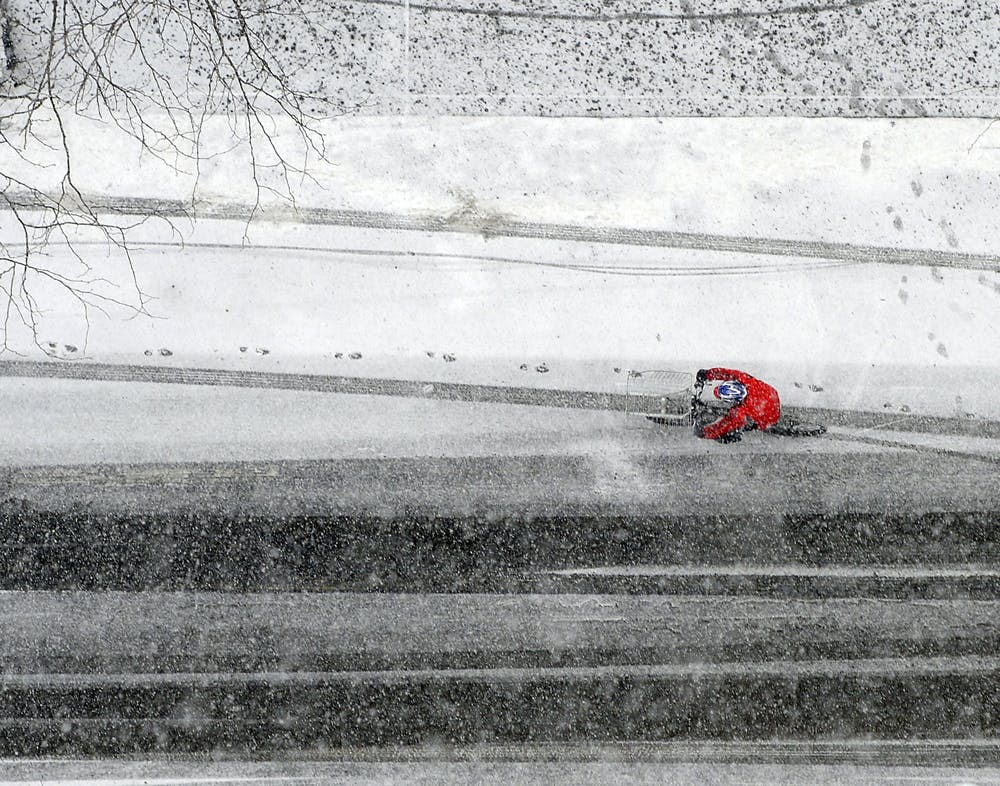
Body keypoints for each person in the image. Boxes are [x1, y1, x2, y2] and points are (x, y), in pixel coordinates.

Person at [694, 367, 781, 443]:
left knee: (732, 432)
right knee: (737, 419)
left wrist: (704, 433)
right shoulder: (745, 380)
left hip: (771, 418)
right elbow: (728, 373)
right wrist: (708, 374)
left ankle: (747, 430)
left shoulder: (741, 412)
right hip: (771, 393)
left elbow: (723, 426)